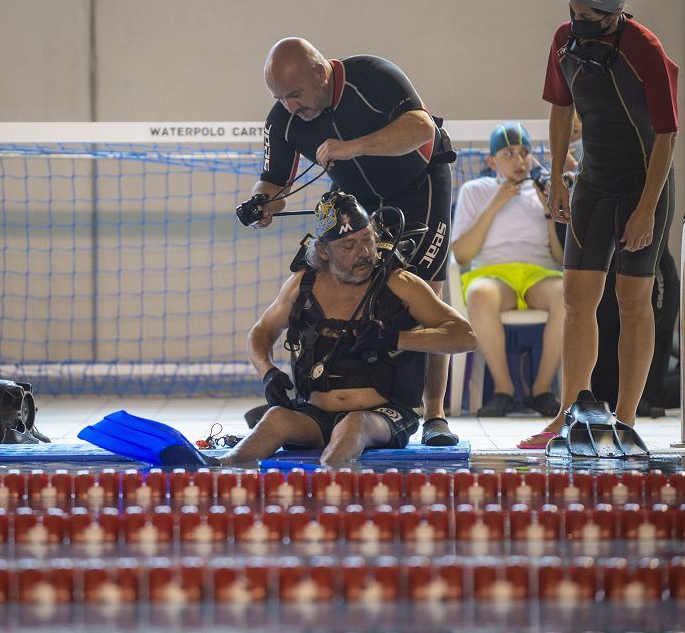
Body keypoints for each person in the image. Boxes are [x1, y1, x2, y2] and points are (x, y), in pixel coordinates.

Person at [248, 37, 457, 445]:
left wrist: (353, 148)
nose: (290, 105)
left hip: (419, 186)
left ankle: (434, 414)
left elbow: (420, 127)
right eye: (279, 97)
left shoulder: (372, 76)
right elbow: (274, 180)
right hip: (359, 205)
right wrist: (260, 204)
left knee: (422, 295)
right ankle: (355, 400)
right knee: (348, 286)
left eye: (295, 94)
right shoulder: (284, 118)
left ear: (320, 72)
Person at [519, 0, 679, 449]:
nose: (580, 25)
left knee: (632, 301)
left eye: (591, 18)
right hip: (593, 181)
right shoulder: (563, 40)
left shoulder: (645, 49)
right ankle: (569, 417)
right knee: (575, 300)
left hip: (643, 184)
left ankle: (626, 419)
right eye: (574, 13)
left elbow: (666, 136)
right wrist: (560, 178)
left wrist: (647, 209)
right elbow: (561, 108)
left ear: (615, 12)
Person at [220, 192, 477, 466]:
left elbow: (465, 336)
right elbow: (261, 333)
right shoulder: (302, 286)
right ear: (323, 251)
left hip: (382, 415)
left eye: (368, 240)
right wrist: (268, 372)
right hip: (316, 414)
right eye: (348, 246)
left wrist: (394, 338)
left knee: (354, 423)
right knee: (275, 418)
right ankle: (215, 481)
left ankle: (325, 493)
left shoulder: (399, 283)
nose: (364, 253)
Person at [450, 122, 564, 418]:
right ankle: (504, 390)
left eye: (525, 152)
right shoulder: (475, 190)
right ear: (491, 161)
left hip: (539, 273)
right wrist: (495, 204)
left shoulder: (544, 192)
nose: (519, 160)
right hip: (493, 274)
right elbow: (461, 254)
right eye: (509, 153)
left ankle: (542, 391)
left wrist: (550, 211)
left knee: (568, 295)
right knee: (478, 294)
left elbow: (561, 256)